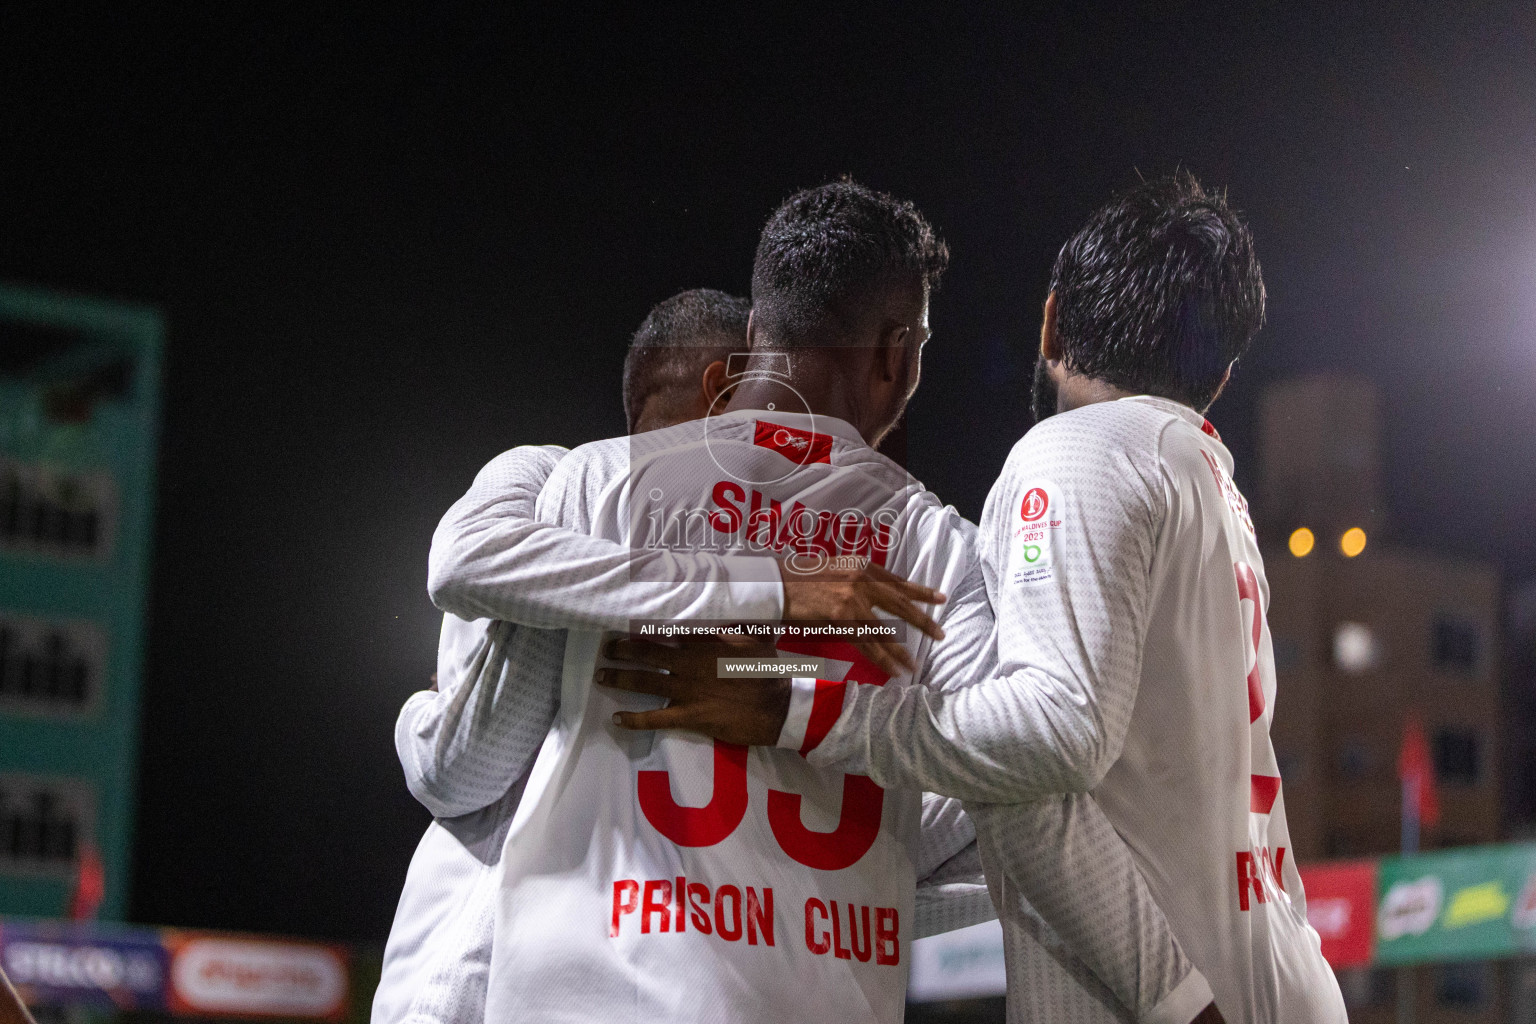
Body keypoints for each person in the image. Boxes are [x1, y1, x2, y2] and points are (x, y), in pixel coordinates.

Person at [605, 174, 1347, 1022]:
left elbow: (1045, 740)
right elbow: (1017, 801)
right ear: (1217, 378)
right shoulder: (1206, 474)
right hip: (1279, 966)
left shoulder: (1075, 452)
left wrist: (791, 707)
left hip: (1191, 996)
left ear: (1051, 321)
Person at [475, 181, 1215, 1023]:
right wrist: (1180, 999)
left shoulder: (590, 485)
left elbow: (472, 759)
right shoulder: (935, 548)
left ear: (756, 333)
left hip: (579, 994)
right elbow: (1019, 788)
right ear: (897, 355)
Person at [371, 288, 987, 1024]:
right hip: (475, 974)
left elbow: (447, 765)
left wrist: (776, 689)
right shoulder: (551, 500)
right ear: (725, 389)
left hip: (652, 973)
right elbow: (459, 770)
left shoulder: (747, 579)